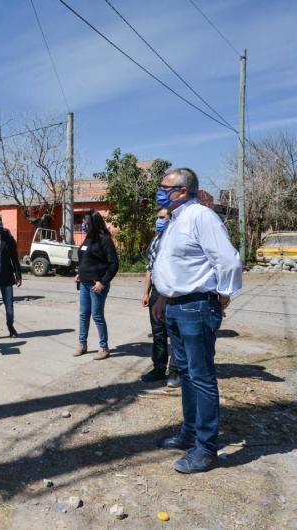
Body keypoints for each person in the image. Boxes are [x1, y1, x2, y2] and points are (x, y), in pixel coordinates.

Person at [152, 168, 242, 474]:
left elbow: (228, 259)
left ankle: (205, 448)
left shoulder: (201, 217)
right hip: (176, 307)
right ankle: (189, 433)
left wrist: (225, 293)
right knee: (187, 375)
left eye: (164, 187)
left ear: (181, 190)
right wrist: (164, 296)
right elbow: (174, 264)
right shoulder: (175, 219)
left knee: (201, 376)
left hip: (196, 308)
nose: (159, 191)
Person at [141, 208, 180, 387]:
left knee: (175, 333)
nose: (159, 221)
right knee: (158, 333)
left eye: (162, 218)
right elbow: (150, 268)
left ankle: (175, 371)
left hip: (173, 293)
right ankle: (159, 368)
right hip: (157, 292)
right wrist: (146, 292)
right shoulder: (156, 239)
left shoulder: (177, 240)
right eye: (157, 217)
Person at [74, 211, 118, 360]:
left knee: (97, 315)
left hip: (96, 285)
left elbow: (114, 264)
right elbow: (85, 259)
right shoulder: (88, 239)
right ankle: (82, 344)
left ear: (93, 223)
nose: (83, 225)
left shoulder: (105, 240)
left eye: (86, 222)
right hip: (84, 283)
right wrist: (80, 274)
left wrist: (103, 282)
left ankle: (104, 347)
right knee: (83, 314)